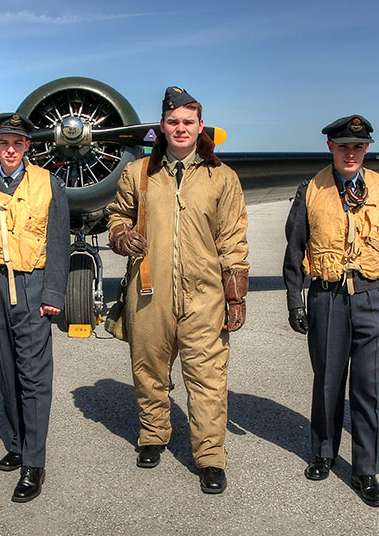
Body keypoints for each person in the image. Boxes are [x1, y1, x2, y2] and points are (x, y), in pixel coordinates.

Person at [106, 87, 249, 494]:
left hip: (205, 296)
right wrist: (121, 236)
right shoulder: (138, 173)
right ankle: (153, 435)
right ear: (162, 127)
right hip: (150, 292)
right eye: (173, 122)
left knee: (207, 379)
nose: (181, 128)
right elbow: (116, 215)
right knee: (149, 370)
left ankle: (209, 457)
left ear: (201, 126)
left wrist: (235, 295)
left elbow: (233, 238)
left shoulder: (222, 176)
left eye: (188, 122)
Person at [283, 115, 379, 507]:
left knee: (370, 389)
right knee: (328, 381)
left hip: (371, 296)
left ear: (366, 149)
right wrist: (294, 299)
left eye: (357, 146)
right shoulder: (311, 190)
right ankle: (324, 452)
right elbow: (294, 248)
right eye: (342, 146)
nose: (350, 153)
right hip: (328, 296)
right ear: (331, 148)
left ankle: (366, 470)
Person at [0, 112, 69, 503]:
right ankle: (17, 443)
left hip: (31, 285)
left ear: (27, 147)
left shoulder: (46, 183)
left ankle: (34, 464)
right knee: (6, 370)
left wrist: (54, 294)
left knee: (34, 377)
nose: (10, 149)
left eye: (17, 143)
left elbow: (58, 243)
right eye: (3, 142)